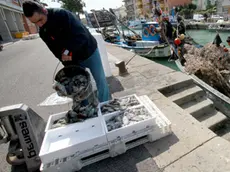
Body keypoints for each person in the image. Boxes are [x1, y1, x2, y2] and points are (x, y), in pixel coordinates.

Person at [22, 0, 110, 102]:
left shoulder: (62, 14)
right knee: (78, 85)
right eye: (35, 23)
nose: (40, 25)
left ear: (44, 11)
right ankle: (85, 108)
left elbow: (82, 36)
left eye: (40, 20)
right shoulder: (43, 33)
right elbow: (55, 51)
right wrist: (67, 65)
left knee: (100, 80)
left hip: (89, 51)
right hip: (73, 60)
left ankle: (105, 103)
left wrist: (68, 51)